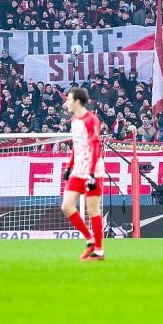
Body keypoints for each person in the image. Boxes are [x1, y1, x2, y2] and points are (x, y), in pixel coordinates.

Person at [59, 87, 106, 261]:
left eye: (69, 99)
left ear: (78, 101)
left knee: (93, 209)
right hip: (78, 169)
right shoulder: (73, 120)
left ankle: (99, 250)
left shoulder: (91, 120)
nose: (66, 103)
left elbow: (95, 147)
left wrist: (92, 173)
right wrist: (69, 167)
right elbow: (76, 146)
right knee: (66, 206)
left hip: (92, 169)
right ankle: (90, 239)